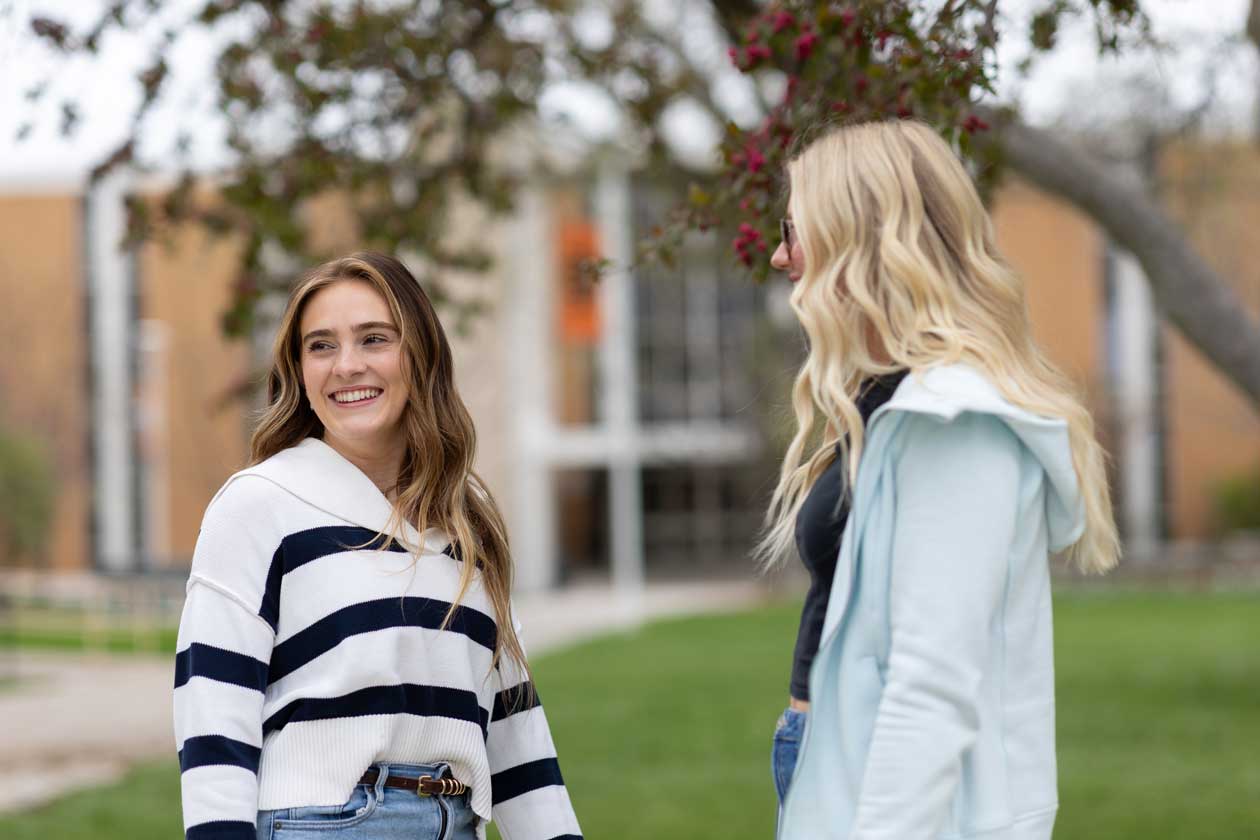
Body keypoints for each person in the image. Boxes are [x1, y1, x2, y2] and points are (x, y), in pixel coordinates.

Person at [763, 119, 1119, 840]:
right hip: (832, 764)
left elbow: (932, 685)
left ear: (855, 241)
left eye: (793, 231)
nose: (779, 257)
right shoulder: (889, 398)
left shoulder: (956, 421)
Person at [173, 252, 582, 840]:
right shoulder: (260, 504)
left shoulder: (466, 521)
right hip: (321, 826)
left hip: (458, 821)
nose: (347, 365)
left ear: (419, 354)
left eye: (374, 339)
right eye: (320, 345)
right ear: (297, 369)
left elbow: (516, 733)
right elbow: (213, 714)